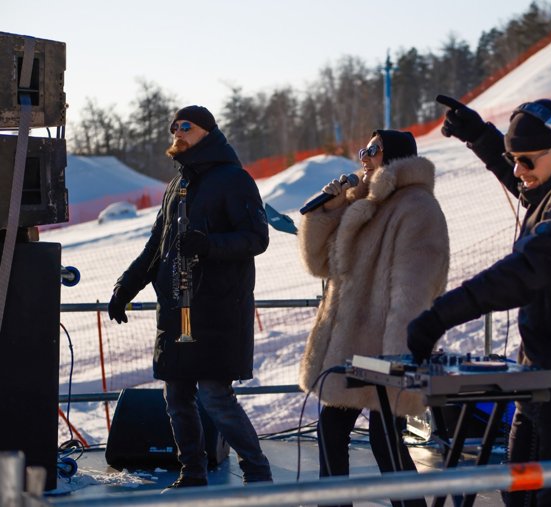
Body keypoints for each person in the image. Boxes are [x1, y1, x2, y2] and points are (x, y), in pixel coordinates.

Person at [407, 96, 551, 507]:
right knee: (518, 493)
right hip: (541, 380)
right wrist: (480, 137)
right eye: (514, 159)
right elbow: (526, 181)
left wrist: (442, 315)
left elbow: (528, 269)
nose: (518, 171)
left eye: (526, 160)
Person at [107, 105, 273, 489]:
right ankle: (192, 472)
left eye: (186, 126)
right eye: (174, 127)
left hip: (216, 310)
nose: (177, 132)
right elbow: (156, 246)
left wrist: (207, 245)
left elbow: (256, 238)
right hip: (176, 309)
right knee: (177, 397)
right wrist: (125, 287)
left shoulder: (234, 179)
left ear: (208, 132)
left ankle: (258, 472)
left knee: (216, 397)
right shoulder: (177, 184)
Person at [298, 130, 449, 507]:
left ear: (393, 156)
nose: (363, 156)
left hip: (386, 350)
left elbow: (415, 291)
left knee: (386, 441)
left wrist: (399, 360)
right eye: (363, 149)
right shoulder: (363, 203)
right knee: (333, 431)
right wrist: (329, 210)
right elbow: (319, 263)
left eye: (372, 150)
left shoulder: (416, 206)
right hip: (349, 348)